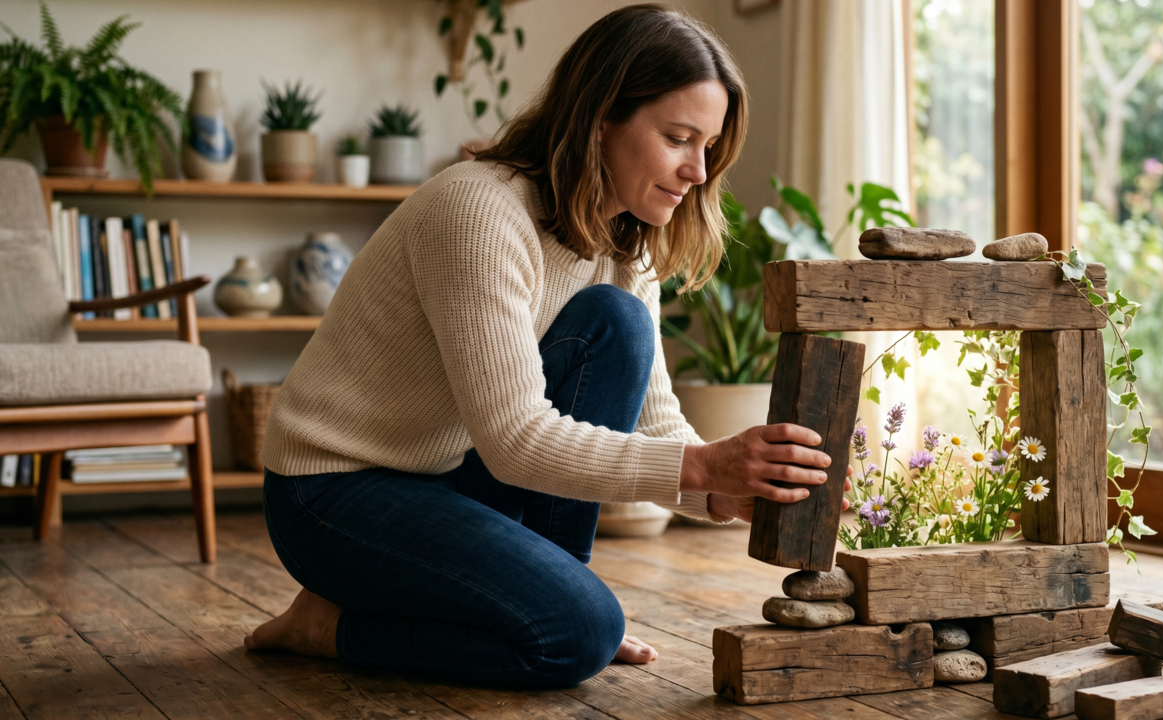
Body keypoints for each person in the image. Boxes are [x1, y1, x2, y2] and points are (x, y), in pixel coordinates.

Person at [245, 3, 851, 689]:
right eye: (679, 138)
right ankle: (326, 626)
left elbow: (656, 424)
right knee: (579, 634)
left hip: (449, 472)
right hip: (332, 492)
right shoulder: (478, 211)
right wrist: (707, 466)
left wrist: (722, 493)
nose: (698, 171)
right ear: (601, 119)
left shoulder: (628, 241)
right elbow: (515, 439)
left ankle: (551, 593)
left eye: (708, 147)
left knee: (617, 322)